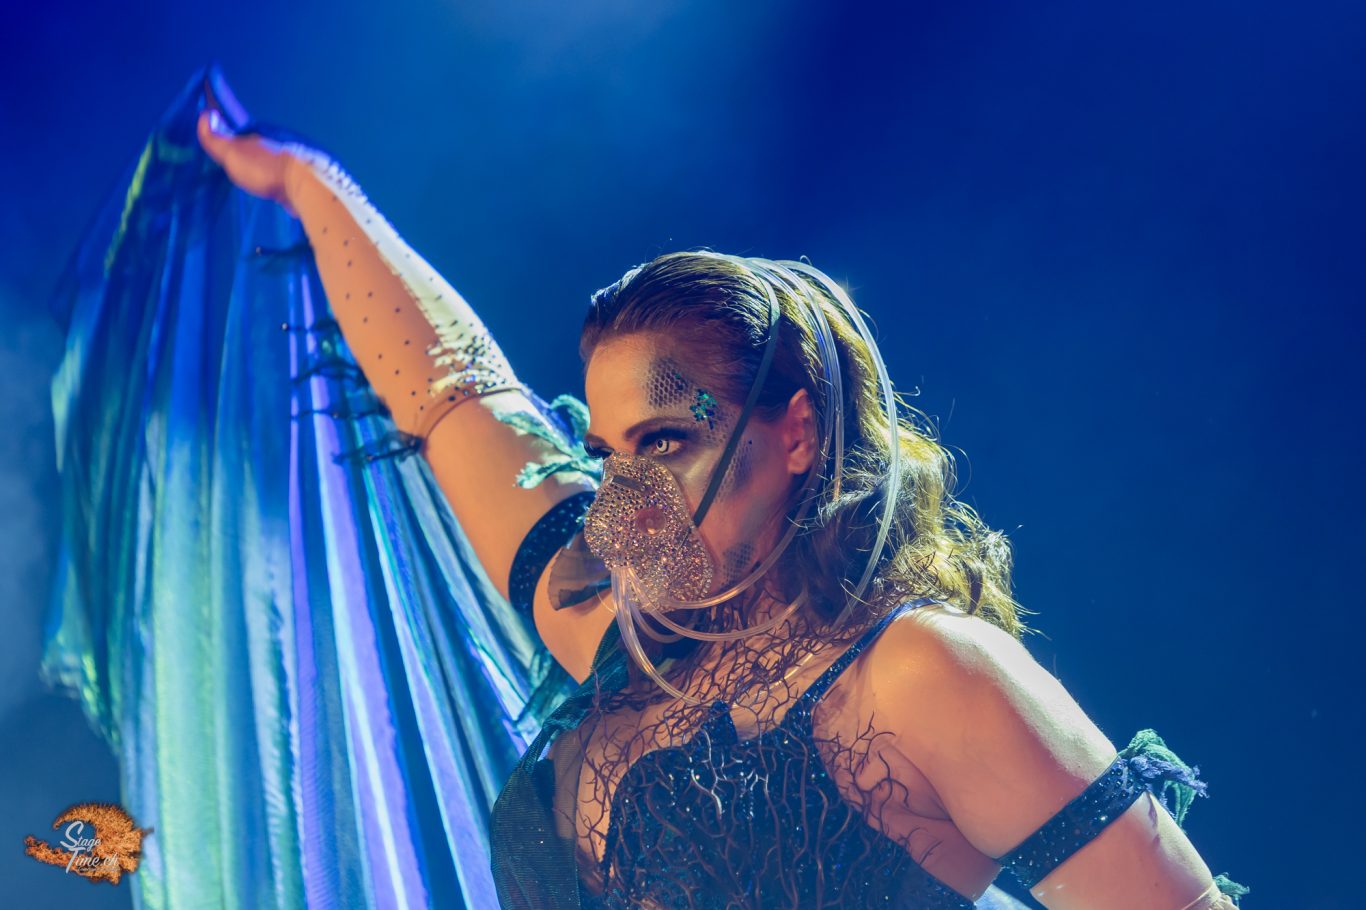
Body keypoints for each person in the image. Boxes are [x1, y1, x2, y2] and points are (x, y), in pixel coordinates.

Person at [196, 107, 1246, 910]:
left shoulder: (924, 675)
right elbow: (455, 393)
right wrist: (309, 183)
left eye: (665, 441)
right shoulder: (614, 636)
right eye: (606, 455)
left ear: (797, 432)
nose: (625, 504)